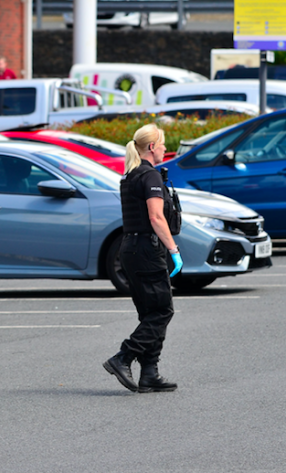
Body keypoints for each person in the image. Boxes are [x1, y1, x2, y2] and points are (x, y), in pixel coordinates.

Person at [103, 123, 182, 393]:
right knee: (162, 311)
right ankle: (123, 357)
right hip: (147, 250)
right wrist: (174, 250)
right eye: (162, 144)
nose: (165, 149)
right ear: (151, 147)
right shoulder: (149, 176)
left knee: (151, 312)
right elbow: (156, 217)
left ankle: (150, 373)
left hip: (130, 249)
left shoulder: (130, 176)